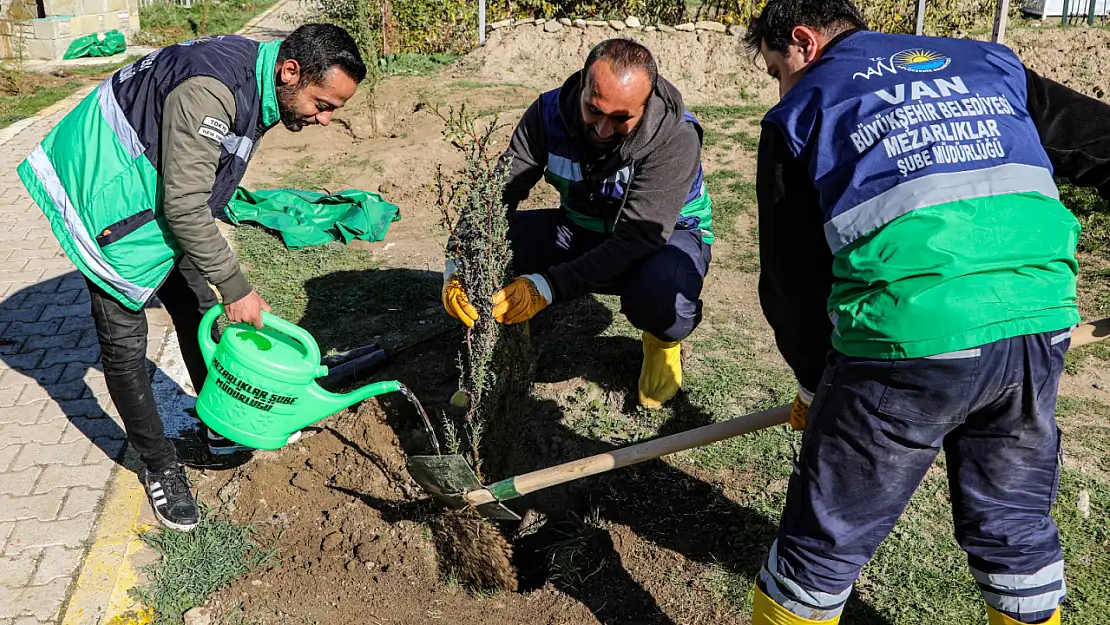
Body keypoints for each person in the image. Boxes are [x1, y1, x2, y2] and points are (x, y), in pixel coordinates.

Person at [743, 1, 1110, 623]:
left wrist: (815, 381)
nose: (782, 86)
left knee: (823, 544)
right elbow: (1101, 144)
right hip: (1037, 322)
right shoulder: (988, 62)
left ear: (803, 42)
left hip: (909, 340)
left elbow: (793, 281)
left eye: (779, 69)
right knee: (1014, 523)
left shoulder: (806, 107)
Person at [17, 23, 367, 532]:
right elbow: (182, 205)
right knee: (124, 345)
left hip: (157, 192)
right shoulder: (212, 90)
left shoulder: (263, 77)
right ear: (291, 71)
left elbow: (191, 186)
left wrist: (222, 285)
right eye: (322, 102)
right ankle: (159, 466)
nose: (327, 118)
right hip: (104, 198)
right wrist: (238, 286)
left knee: (199, 305)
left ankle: (220, 428)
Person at [441, 38, 714, 409]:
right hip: (581, 228)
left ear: (646, 106)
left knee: (663, 294)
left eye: (621, 119)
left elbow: (636, 239)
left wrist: (547, 286)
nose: (602, 129)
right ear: (584, 83)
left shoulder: (675, 137)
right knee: (493, 247)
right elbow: (496, 196)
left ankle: (662, 343)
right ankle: (499, 343)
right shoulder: (547, 115)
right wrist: (458, 263)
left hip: (665, 239)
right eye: (594, 110)